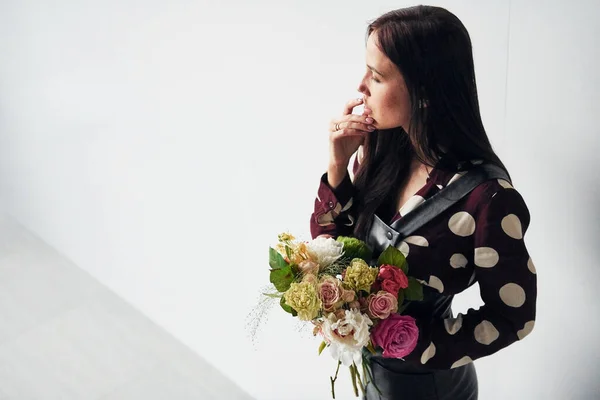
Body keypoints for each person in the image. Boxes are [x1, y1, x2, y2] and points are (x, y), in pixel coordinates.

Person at [309, 5, 537, 400]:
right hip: (373, 380)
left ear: (426, 92)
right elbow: (333, 254)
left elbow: (515, 317)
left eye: (377, 77)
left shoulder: (489, 199)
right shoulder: (383, 150)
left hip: (432, 389)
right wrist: (337, 168)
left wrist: (412, 343)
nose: (361, 86)